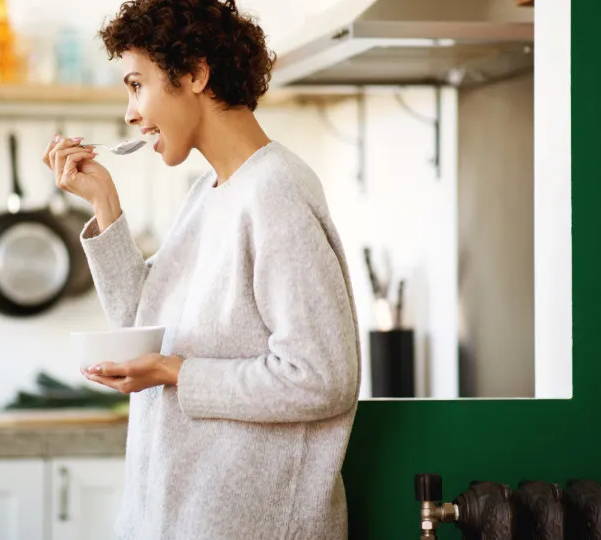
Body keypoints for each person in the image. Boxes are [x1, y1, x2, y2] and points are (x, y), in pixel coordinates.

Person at [41, 0, 361, 538]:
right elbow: (141, 322)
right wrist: (104, 203)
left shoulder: (275, 191)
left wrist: (174, 372)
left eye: (136, 84)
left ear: (194, 73)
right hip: (178, 517)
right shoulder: (208, 194)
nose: (130, 111)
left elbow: (322, 378)